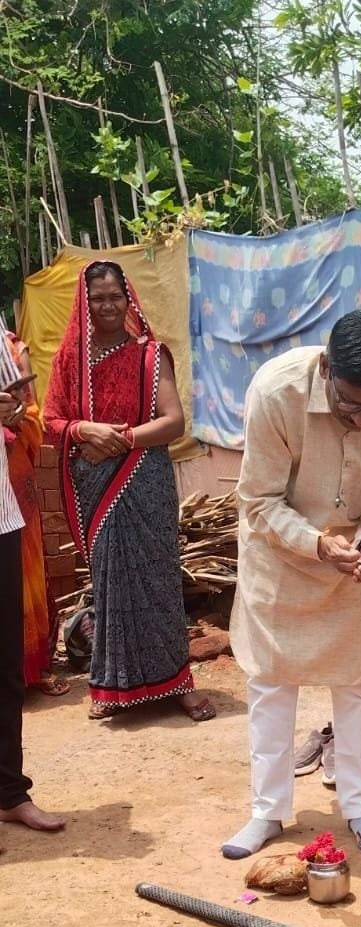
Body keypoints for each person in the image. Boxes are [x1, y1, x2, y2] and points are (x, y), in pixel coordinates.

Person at [222, 309, 361, 860]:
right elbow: (258, 500)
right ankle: (267, 812)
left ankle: (360, 807)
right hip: (279, 559)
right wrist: (317, 544)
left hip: (354, 562)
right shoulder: (276, 392)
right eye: (350, 406)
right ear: (327, 369)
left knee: (357, 686)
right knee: (270, 684)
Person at [42, 261, 215, 722]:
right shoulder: (70, 361)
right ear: (84, 303)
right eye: (98, 298)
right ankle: (112, 686)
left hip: (145, 480)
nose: (108, 306)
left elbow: (174, 422)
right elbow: (52, 419)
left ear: (129, 298)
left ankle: (177, 682)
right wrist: (85, 430)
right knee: (110, 584)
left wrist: (119, 439)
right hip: (96, 485)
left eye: (115, 296)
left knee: (158, 579)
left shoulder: (150, 355)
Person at [0, 387, 65, 835]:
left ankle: (9, 793)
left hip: (3, 518)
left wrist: (12, 412)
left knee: (6, 667)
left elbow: (21, 408)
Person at [3, 330, 67, 696]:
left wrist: (14, 416)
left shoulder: (14, 349)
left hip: (13, 478)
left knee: (24, 568)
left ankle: (31, 668)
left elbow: (33, 414)